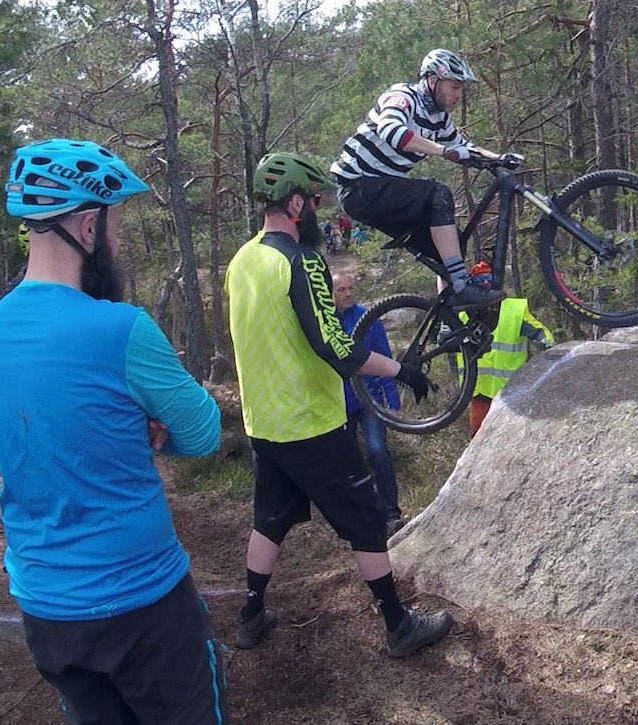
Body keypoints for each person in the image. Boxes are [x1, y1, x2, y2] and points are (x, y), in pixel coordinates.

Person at [0, 139, 228, 723]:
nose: (118, 242)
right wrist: (153, 431)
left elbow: (23, 438)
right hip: (143, 601)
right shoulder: (121, 328)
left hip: (45, 606)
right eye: (116, 227)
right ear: (87, 227)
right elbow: (203, 433)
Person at [226, 151, 453, 659]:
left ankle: (250, 615)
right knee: (366, 520)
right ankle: (398, 626)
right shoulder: (302, 261)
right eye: (314, 201)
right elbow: (337, 347)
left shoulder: (242, 260)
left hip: (264, 421)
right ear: (295, 204)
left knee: (270, 518)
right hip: (310, 422)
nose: (319, 211)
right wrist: (400, 369)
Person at [330, 48, 505, 310]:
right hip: (357, 186)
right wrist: (443, 151)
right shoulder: (402, 96)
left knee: (452, 246)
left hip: (381, 190)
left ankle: (447, 320)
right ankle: (462, 285)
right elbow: (393, 132)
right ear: (433, 81)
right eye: (455, 87)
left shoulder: (439, 118)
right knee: (437, 193)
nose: (458, 95)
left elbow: (464, 148)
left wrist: (499, 158)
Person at [331, 271, 404, 537]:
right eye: (341, 289)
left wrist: (392, 403)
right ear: (329, 293)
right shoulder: (323, 322)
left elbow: (384, 358)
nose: (348, 293)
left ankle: (391, 514)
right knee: (344, 460)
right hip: (336, 403)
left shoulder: (367, 318)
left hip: (369, 399)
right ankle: (355, 516)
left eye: (351, 288)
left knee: (378, 451)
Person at [462, 264, 555, 438]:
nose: (485, 283)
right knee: (479, 437)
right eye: (480, 279)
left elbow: (539, 332)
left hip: (512, 391)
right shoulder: (464, 311)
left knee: (512, 438)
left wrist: (546, 343)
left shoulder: (514, 309)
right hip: (479, 391)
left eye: (488, 278)